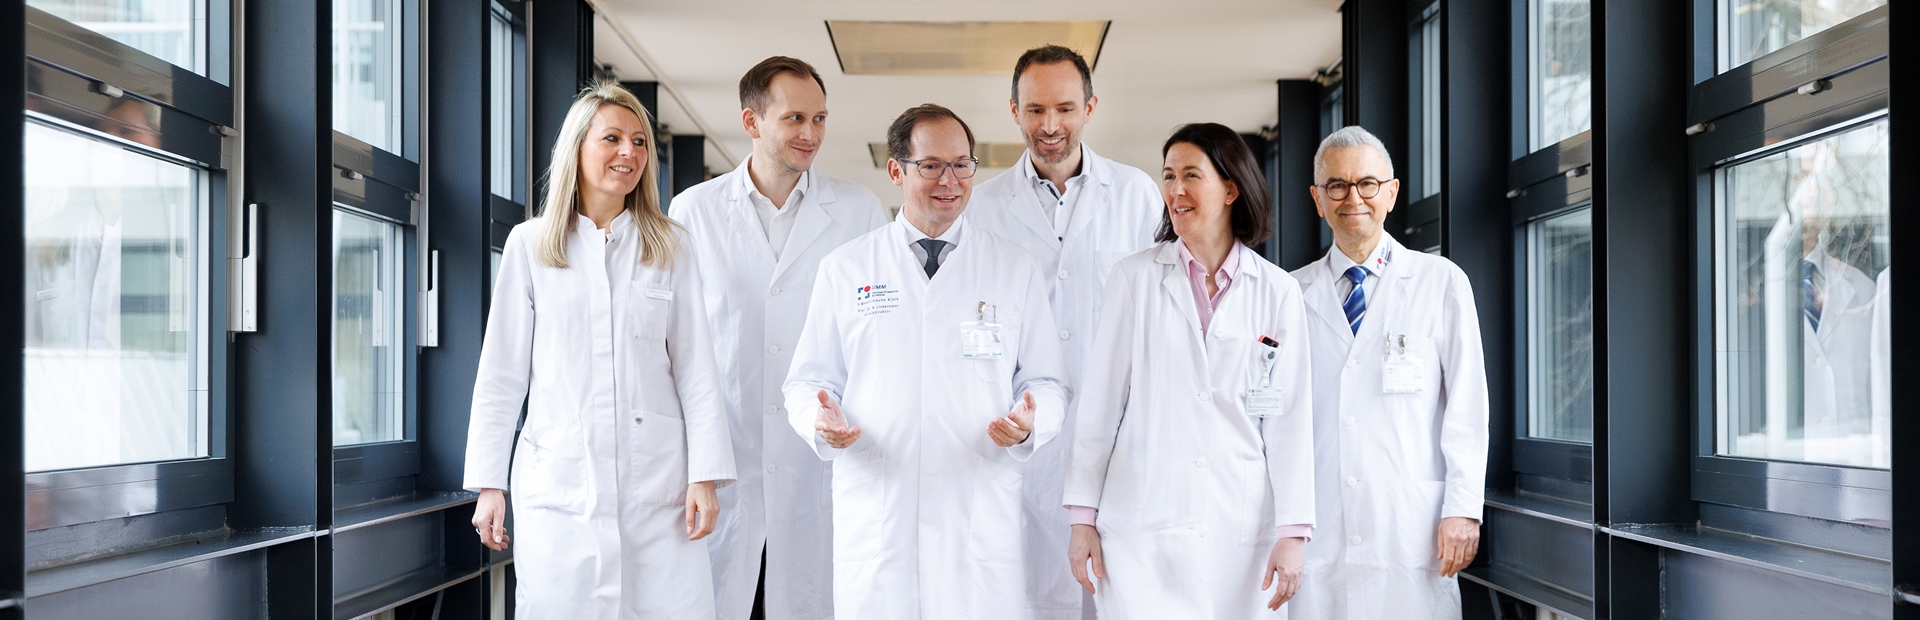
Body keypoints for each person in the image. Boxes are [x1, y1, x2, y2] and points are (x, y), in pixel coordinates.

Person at [782, 104, 1069, 620]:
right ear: (896, 171)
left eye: (962, 165)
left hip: (976, 512)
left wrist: (1031, 422)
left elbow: (1047, 381)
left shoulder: (1013, 268)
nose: (950, 181)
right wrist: (818, 419)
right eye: (932, 165)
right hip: (880, 510)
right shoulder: (846, 268)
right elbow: (806, 381)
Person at [464, 81, 736, 619]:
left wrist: (704, 476)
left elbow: (697, 372)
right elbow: (500, 375)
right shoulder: (531, 246)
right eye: (612, 138)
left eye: (639, 142)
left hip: (657, 491)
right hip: (560, 489)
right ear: (577, 148)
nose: (628, 152)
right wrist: (489, 485)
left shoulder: (670, 246)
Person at [1064, 123, 1316, 618]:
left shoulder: (1276, 291)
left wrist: (1293, 532)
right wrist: (1081, 519)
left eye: (1191, 175)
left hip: (1239, 529)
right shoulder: (1134, 278)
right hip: (1140, 527)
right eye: (1168, 176)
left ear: (1230, 189)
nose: (1175, 190)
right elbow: (1099, 408)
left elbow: (1290, 421)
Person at [671, 56, 889, 620]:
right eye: (795, 118)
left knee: (813, 599)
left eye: (819, 119)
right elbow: (674, 346)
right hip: (726, 458)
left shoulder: (860, 212)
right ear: (752, 121)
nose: (810, 133)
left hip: (819, 462)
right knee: (720, 601)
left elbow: (879, 340)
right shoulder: (693, 212)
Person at [963, 45, 1163, 620]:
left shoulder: (1136, 195)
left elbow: (1159, 316)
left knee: (1119, 596)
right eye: (1035, 110)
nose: (1050, 125)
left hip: (1118, 438)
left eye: (1065, 109)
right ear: (1014, 111)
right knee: (1030, 595)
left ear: (1090, 108)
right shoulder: (982, 207)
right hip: (1020, 441)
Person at [1286, 126, 1488, 620]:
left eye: (1367, 184)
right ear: (1317, 198)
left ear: (1392, 193)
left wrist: (1463, 508)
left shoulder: (1441, 282)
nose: (1353, 198)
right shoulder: (1289, 293)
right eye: (1337, 185)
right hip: (1319, 526)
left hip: (1410, 527)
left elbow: (1468, 406)